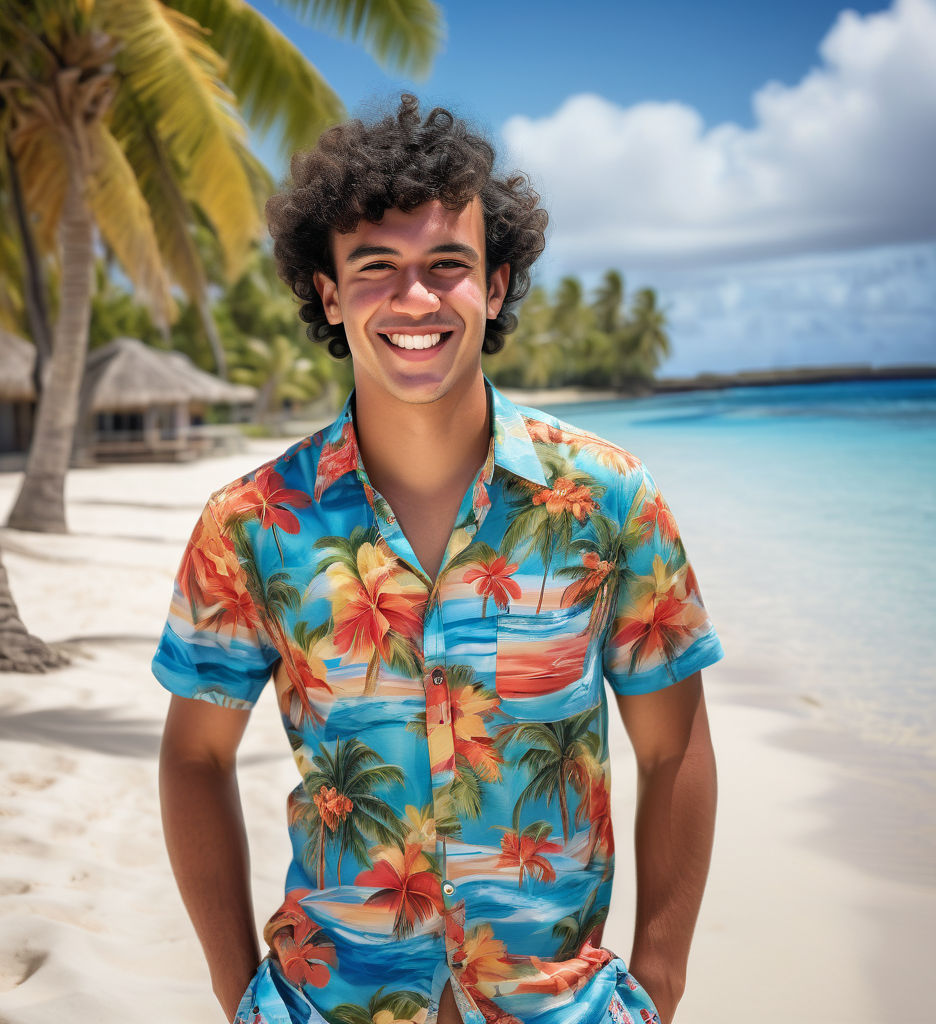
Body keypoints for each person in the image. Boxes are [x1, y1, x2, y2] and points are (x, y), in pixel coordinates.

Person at [152, 94, 723, 1024]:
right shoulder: (252, 524)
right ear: (329, 294)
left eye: (446, 266)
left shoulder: (609, 500)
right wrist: (234, 987)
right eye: (376, 268)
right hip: (324, 1002)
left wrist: (659, 981)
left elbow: (675, 747)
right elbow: (194, 757)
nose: (415, 299)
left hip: (563, 1006)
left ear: (495, 287)